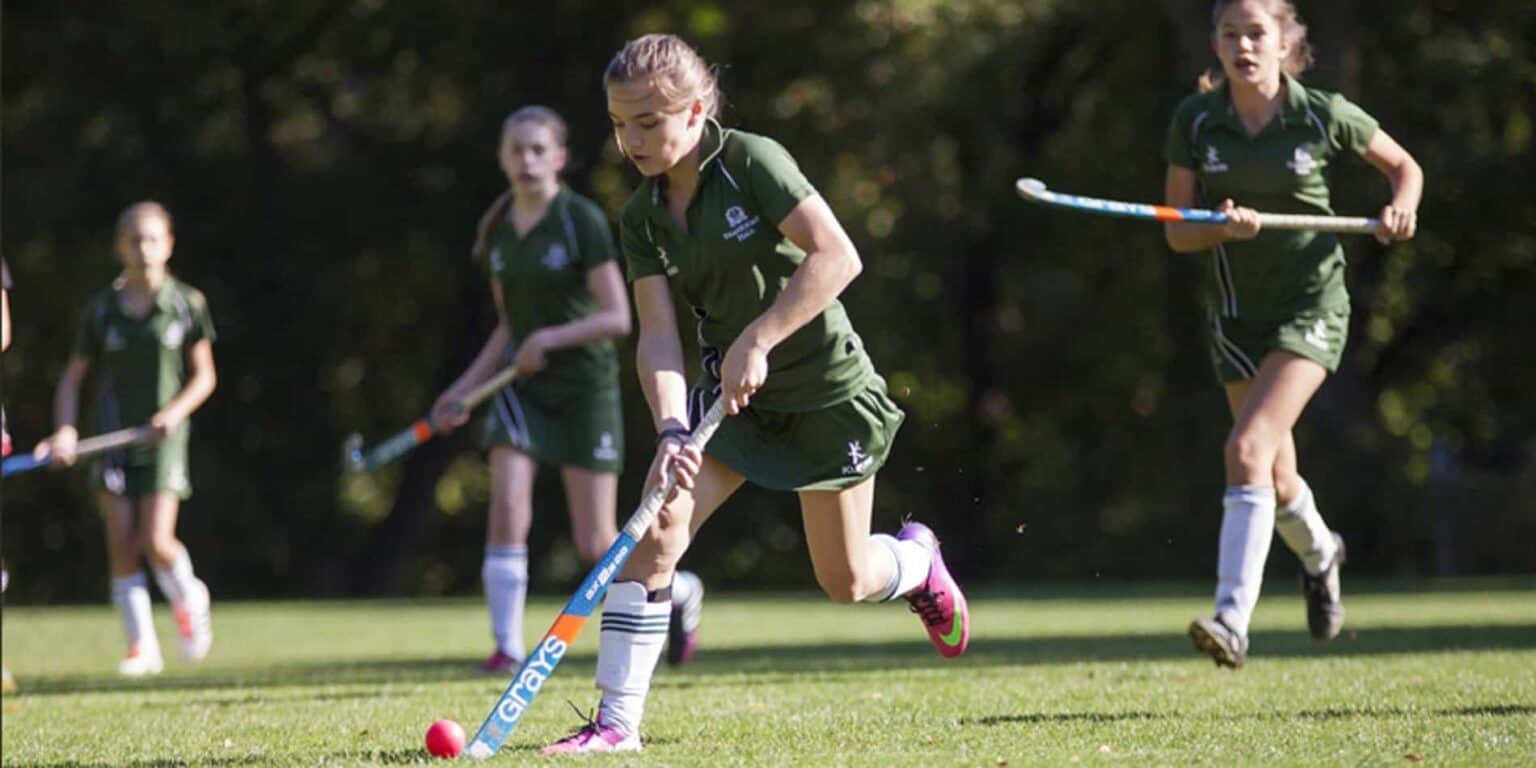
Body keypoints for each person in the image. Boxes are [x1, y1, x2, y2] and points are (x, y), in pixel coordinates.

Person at [540, 34, 969, 755]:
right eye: (619, 124)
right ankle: (615, 724)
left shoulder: (752, 162)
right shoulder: (642, 216)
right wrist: (673, 427)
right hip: (723, 404)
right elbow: (658, 338)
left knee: (847, 580)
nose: (632, 140)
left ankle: (919, 564)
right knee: (655, 532)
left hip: (826, 393)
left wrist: (760, 339)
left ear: (696, 110)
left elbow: (838, 256)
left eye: (648, 122)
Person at [1163, 0, 1421, 668]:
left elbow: (1405, 169)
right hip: (1236, 317)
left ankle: (1232, 620)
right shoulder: (1195, 121)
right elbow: (1177, 231)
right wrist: (1220, 226)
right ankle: (1322, 552)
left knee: (1246, 448)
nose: (1243, 46)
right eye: (1230, 34)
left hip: (1310, 307)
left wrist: (1401, 209)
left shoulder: (1323, 113)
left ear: (1285, 43)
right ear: (1216, 46)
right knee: (1275, 476)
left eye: (1256, 33)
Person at [431, 106, 703, 674]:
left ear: (558, 157)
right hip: (522, 389)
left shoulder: (580, 219)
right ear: (503, 158)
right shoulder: (498, 230)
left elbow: (617, 318)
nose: (527, 160)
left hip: (585, 387)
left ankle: (677, 592)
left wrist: (550, 339)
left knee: (594, 541)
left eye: (539, 149)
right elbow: (510, 328)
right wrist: (462, 390)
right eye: (517, 150)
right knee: (506, 504)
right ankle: (506, 647)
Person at [36, 202, 220, 677]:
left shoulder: (186, 303)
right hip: (113, 436)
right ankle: (142, 647)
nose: (144, 249)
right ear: (119, 247)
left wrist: (174, 413)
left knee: (156, 540)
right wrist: (66, 430)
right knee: (121, 541)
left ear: (169, 245)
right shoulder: (102, 310)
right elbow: (73, 379)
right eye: (134, 240)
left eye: (153, 239)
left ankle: (190, 599)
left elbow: (204, 377)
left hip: (164, 438)